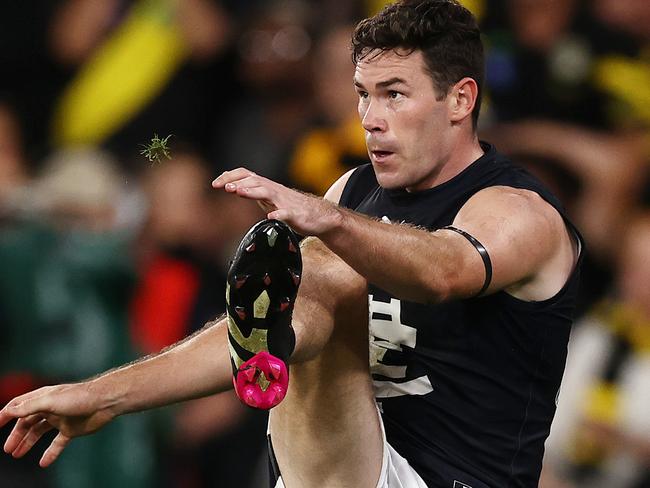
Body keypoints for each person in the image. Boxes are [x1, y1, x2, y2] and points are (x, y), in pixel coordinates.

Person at [1, 1, 583, 487]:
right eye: (363, 93)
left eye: (395, 95)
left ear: (460, 100)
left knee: (317, 270)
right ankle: (274, 351)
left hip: (446, 478)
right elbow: (264, 318)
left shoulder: (517, 210)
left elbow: (444, 272)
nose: (370, 118)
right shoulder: (353, 190)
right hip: (336, 461)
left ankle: (279, 345)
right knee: (294, 289)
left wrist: (329, 223)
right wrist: (103, 396)